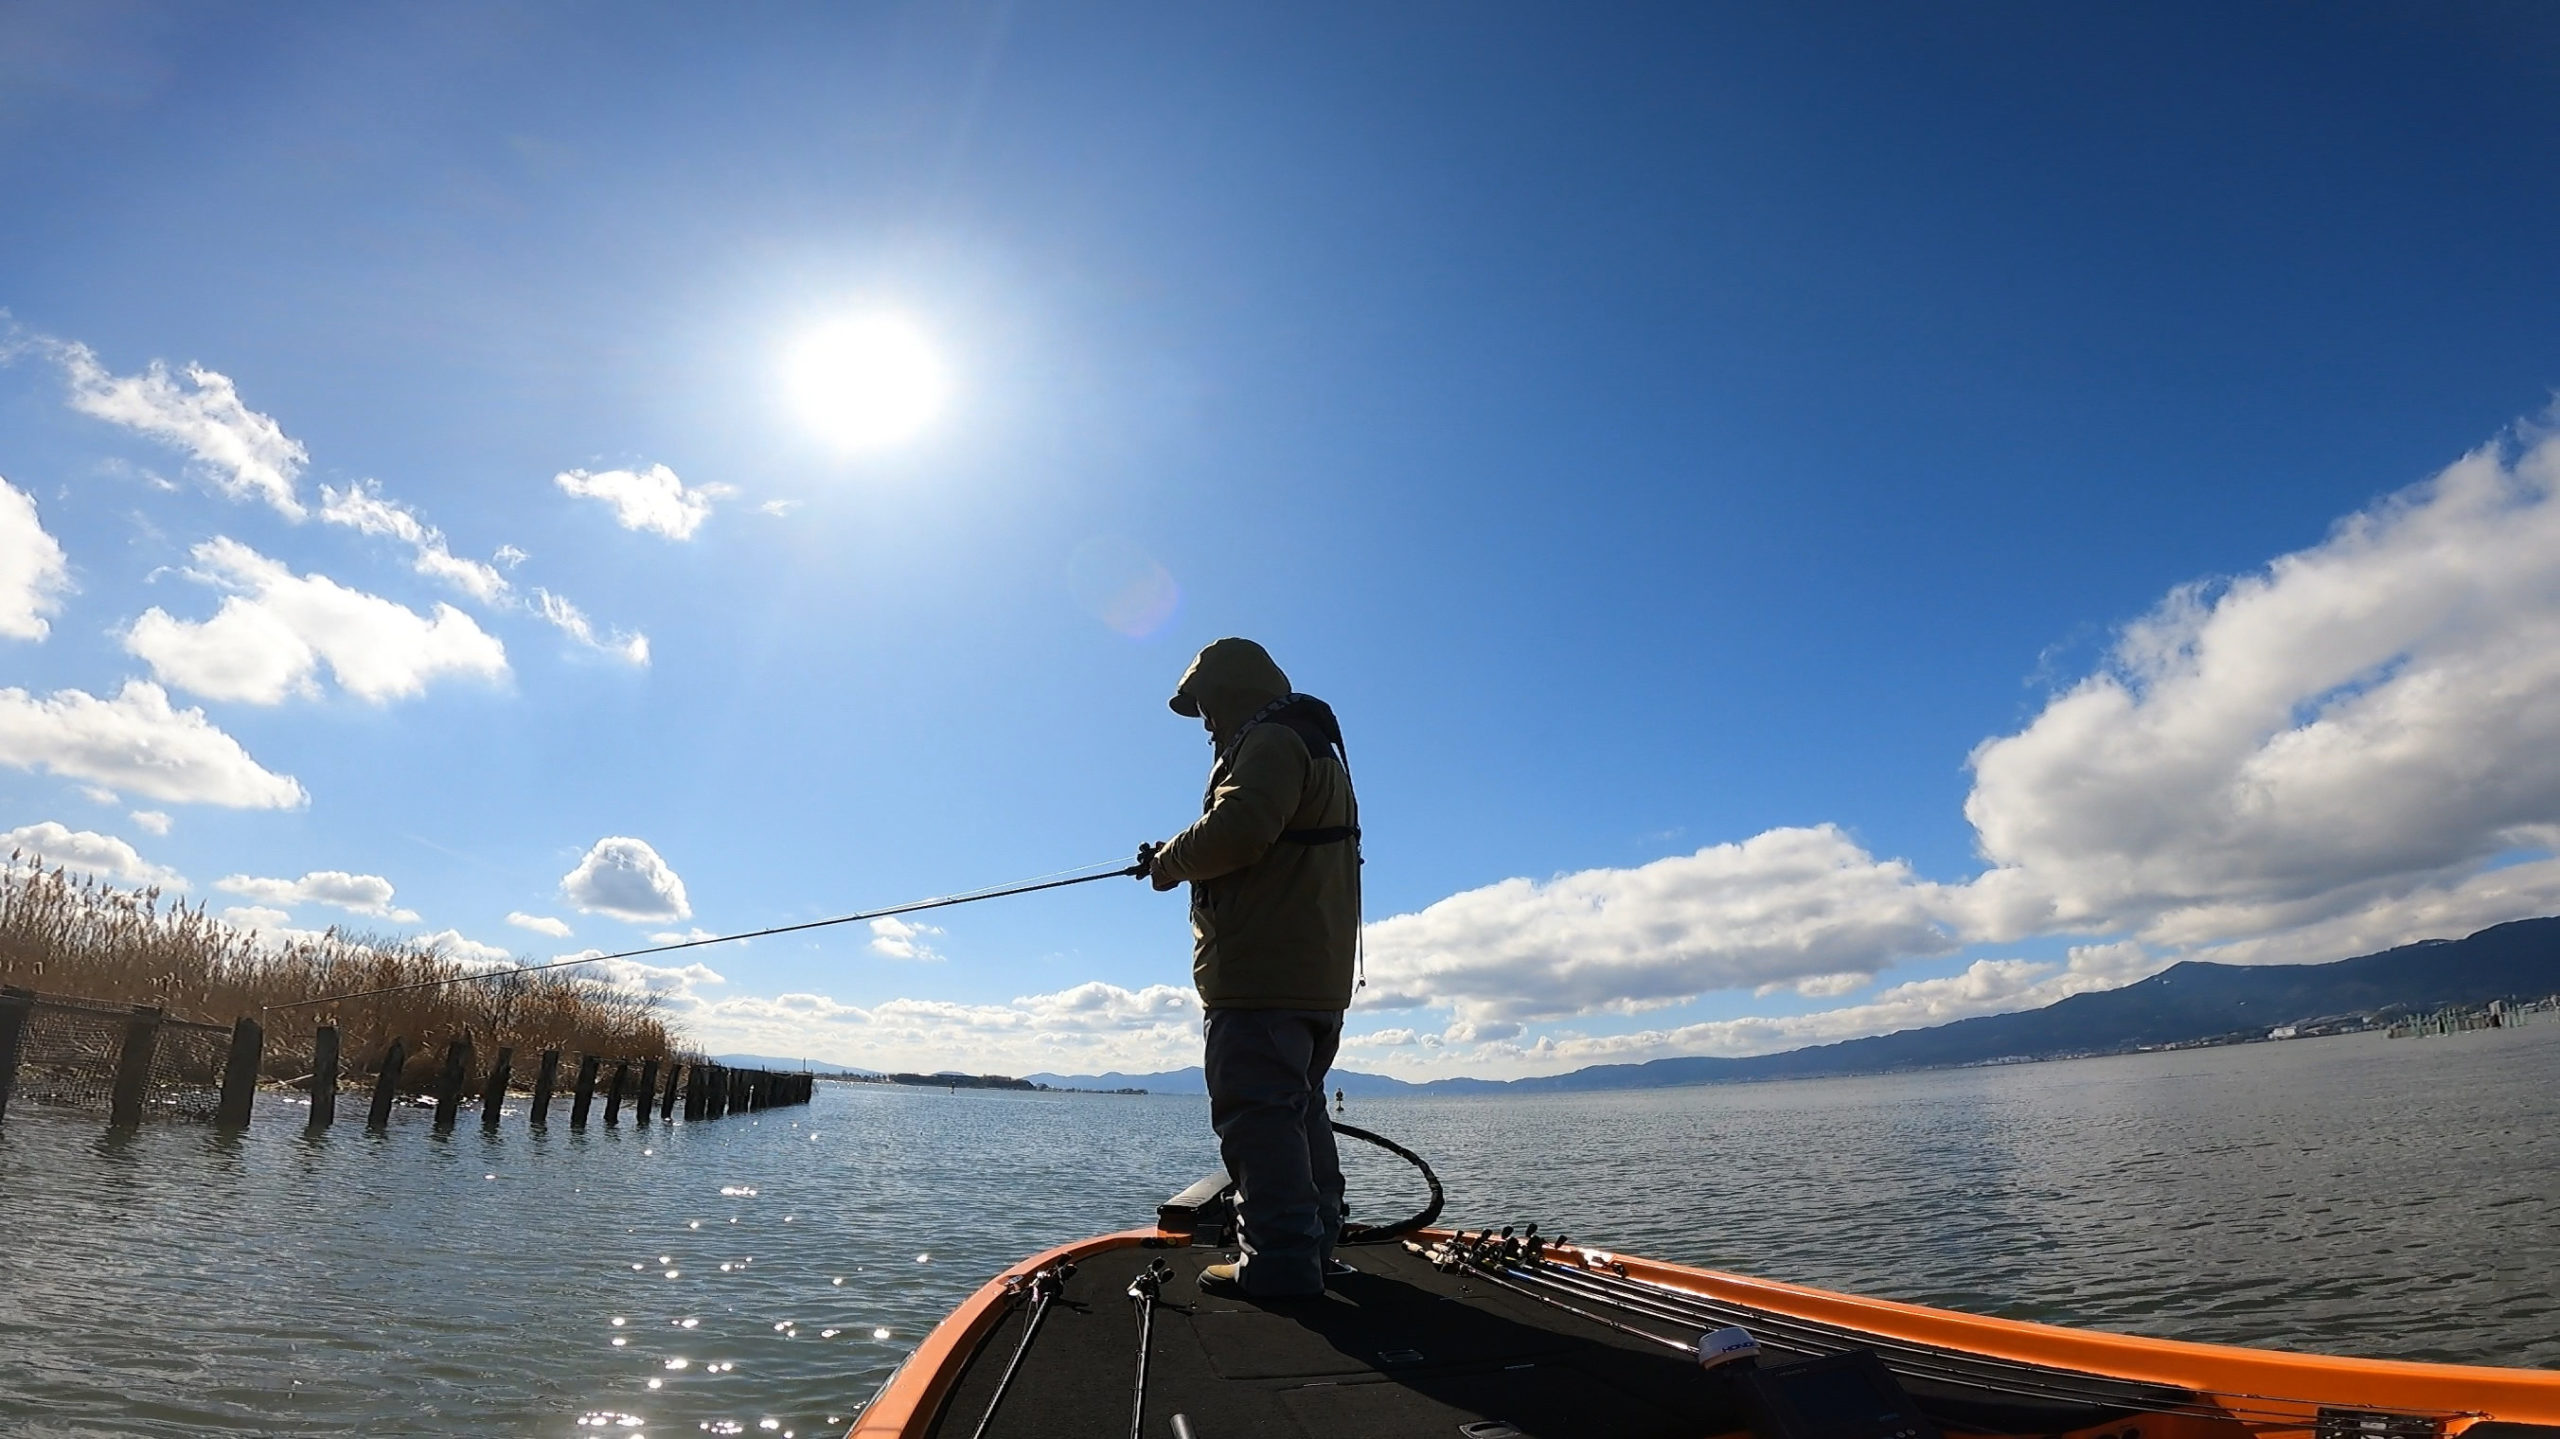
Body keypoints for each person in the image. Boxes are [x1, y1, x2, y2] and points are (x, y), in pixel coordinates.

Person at [1138, 637, 1361, 1299]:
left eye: (1207, 705)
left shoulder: (1270, 742)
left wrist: (1169, 862)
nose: (1205, 722)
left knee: (1260, 1120)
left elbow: (1240, 829)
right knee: (1299, 1116)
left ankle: (1281, 1267)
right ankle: (1315, 1252)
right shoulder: (1308, 741)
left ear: (1234, 693)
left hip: (1262, 983)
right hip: (1311, 983)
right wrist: (1177, 856)